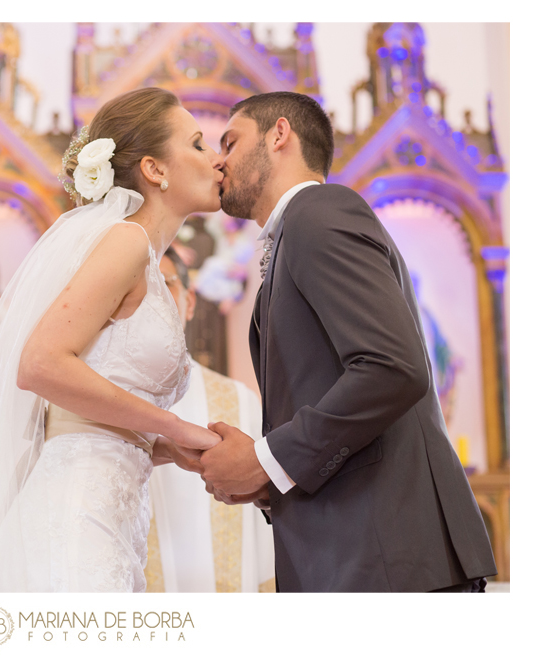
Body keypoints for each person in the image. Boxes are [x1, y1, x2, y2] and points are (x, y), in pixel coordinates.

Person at [0, 87, 224, 592]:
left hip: (110, 519)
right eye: (200, 144)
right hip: (74, 522)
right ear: (156, 170)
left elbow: (92, 410)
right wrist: (174, 427)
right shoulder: (126, 242)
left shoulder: (145, 261)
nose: (217, 159)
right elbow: (41, 364)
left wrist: (160, 444)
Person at [199, 91, 497, 592]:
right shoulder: (298, 230)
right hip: (359, 555)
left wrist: (267, 460)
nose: (218, 160)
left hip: (389, 561)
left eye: (229, 142)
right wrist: (268, 476)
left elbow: (391, 366)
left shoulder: (319, 211)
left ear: (279, 135)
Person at [145, 247, 275, 592]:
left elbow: (265, 522)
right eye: (135, 287)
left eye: (163, 284)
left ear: (189, 301)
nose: (149, 300)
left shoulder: (240, 402)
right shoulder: (90, 400)